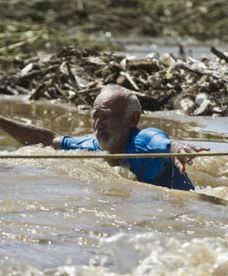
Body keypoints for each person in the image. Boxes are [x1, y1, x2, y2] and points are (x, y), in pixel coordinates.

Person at [0, 84, 209, 190]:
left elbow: (165, 143)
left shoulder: (143, 141)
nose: (98, 124)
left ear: (133, 119)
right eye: (95, 116)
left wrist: (176, 149)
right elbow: (48, 140)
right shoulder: (91, 145)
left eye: (106, 117)